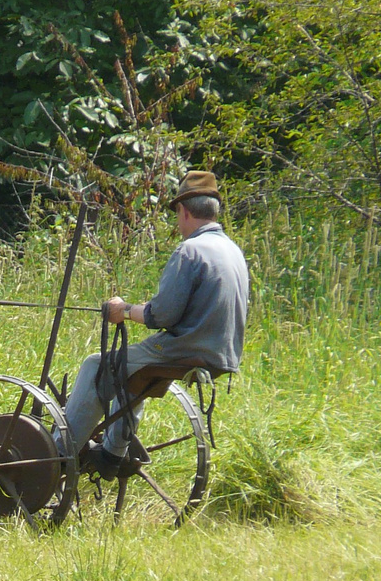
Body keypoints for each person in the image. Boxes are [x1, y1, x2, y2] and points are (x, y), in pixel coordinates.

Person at [62, 171, 249, 476]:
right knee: (132, 373)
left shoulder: (191, 251)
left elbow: (162, 316)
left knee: (96, 365)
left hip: (182, 348)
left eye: (178, 215)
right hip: (221, 354)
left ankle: (58, 452)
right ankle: (111, 453)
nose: (178, 222)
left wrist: (123, 310)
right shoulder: (233, 252)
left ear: (184, 211)